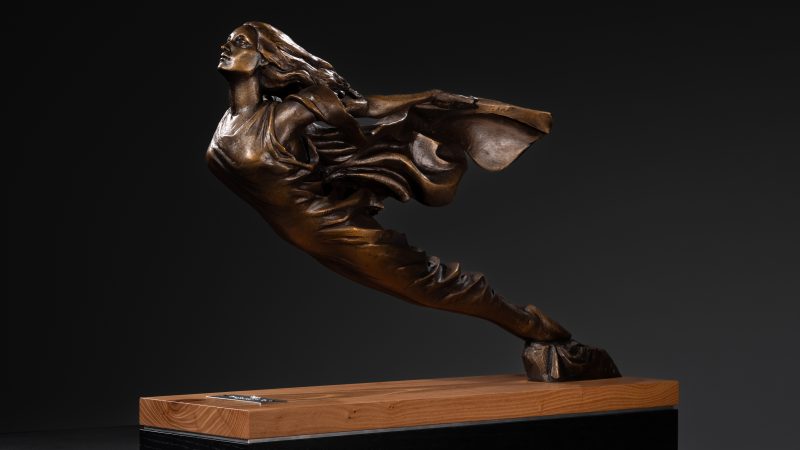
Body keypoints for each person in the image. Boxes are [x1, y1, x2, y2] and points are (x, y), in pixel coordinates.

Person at [207, 21, 571, 343]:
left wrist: (432, 98)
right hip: (308, 238)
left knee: (426, 286)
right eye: (228, 41)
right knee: (421, 286)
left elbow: (367, 107)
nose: (226, 47)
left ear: (265, 58)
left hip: (334, 229)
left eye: (239, 42)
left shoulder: (288, 115)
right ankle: (532, 327)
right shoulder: (229, 122)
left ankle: (534, 326)